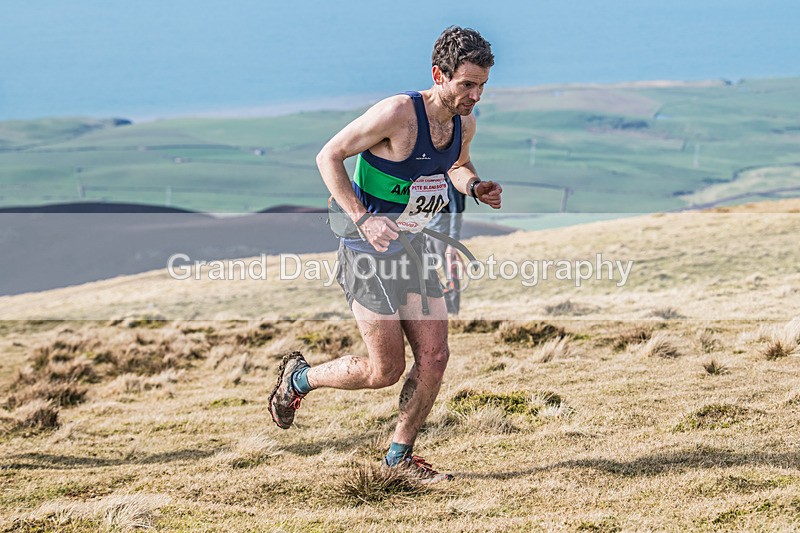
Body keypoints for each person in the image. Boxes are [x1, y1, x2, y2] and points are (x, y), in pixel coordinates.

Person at [269, 26, 502, 483]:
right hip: (366, 252)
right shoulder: (398, 114)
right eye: (467, 84)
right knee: (386, 369)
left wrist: (474, 185)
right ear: (439, 74)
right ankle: (298, 380)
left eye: (482, 86)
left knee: (435, 357)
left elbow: (455, 164)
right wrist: (361, 216)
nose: (475, 96)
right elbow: (328, 156)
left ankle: (399, 458)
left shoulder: (463, 123)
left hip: (414, 250)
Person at [427, 180, 466, 315]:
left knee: (450, 273)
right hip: (426, 231)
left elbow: (457, 212)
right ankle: (440, 309)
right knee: (428, 273)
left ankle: (453, 313)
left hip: (442, 234)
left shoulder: (452, 181)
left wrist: (452, 243)